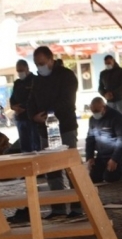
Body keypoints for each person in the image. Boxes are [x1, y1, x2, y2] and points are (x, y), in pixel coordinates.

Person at [18, 46, 82, 221]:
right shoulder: (37, 80)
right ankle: (58, 207)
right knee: (52, 170)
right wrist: (33, 116)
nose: (40, 67)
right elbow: (30, 101)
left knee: (71, 167)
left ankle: (78, 205)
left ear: (51, 60)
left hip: (65, 127)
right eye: (37, 64)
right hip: (45, 129)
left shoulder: (66, 76)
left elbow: (67, 101)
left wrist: (48, 114)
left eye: (42, 63)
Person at [85, 97, 122, 183]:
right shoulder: (92, 120)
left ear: (104, 107)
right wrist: (90, 157)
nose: (95, 114)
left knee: (110, 178)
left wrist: (115, 159)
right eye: (93, 112)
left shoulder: (117, 118)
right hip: (102, 155)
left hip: (117, 154)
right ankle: (105, 168)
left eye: (97, 111)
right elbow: (90, 139)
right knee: (94, 178)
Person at [9, 59, 40, 152]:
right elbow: (12, 99)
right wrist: (14, 107)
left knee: (35, 145)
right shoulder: (17, 83)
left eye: (21, 70)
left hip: (32, 118)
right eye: (18, 71)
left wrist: (24, 107)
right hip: (20, 119)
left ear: (27, 68)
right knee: (24, 146)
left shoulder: (35, 80)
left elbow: (35, 98)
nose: (20, 73)